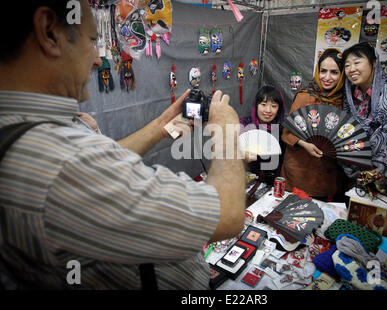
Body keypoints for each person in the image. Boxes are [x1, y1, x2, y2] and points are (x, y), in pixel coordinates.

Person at [0, 0, 245, 289]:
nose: (96, 59)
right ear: (49, 33)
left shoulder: (24, 127)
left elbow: (101, 159)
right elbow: (227, 214)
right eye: (92, 41)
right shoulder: (61, 162)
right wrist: (227, 131)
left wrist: (159, 127)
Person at [342, 42, 387, 201]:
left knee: (381, 219)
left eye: (357, 62)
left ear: (374, 63)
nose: (351, 69)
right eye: (347, 65)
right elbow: (345, 129)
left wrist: (365, 157)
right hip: (357, 173)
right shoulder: (350, 96)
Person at [280, 48, 347, 201]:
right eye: (323, 71)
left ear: (342, 74)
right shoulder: (305, 97)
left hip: (327, 176)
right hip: (299, 172)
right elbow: (287, 132)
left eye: (334, 72)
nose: (327, 77)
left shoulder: (345, 102)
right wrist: (304, 144)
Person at [239, 85, 286, 185]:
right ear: (256, 105)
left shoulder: (283, 131)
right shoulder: (243, 124)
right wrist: (241, 154)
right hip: (244, 182)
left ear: (279, 109)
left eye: (274, 106)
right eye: (263, 104)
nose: (268, 110)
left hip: (272, 185)